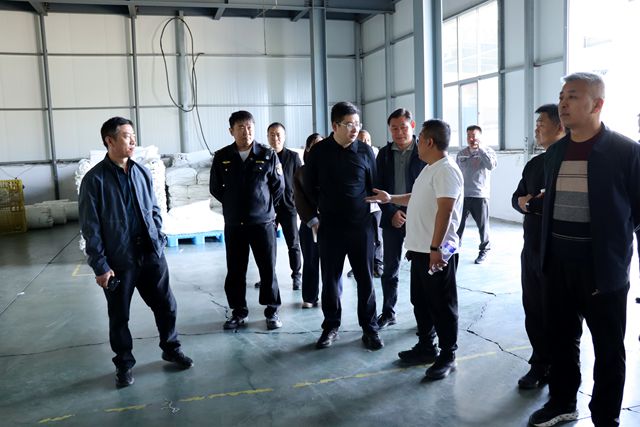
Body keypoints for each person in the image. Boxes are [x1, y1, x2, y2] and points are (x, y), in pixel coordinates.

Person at [528, 72, 640, 427]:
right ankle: (562, 403)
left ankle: (606, 417)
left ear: (597, 104)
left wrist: (616, 257)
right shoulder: (555, 153)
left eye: (573, 96)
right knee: (561, 340)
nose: (563, 103)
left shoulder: (626, 152)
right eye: (562, 96)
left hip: (602, 270)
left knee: (608, 349)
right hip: (557, 265)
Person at [78, 117, 193, 388]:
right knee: (120, 316)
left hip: (151, 254)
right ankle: (124, 364)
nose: (133, 140)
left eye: (133, 135)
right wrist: (100, 266)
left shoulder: (141, 172)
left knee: (166, 305)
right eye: (127, 136)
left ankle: (171, 347)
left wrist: (158, 237)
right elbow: (90, 228)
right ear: (109, 140)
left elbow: (154, 208)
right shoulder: (95, 180)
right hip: (119, 261)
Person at [366, 119, 463, 381]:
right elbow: (416, 197)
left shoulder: (446, 171)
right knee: (421, 301)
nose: (416, 143)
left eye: (420, 138)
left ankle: (448, 355)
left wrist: (436, 248)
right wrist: (391, 198)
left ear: (429, 142)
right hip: (420, 250)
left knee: (442, 305)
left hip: (436, 252)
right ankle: (426, 346)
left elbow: (446, 211)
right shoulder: (430, 169)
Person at [304, 101, 383, 351]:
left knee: (365, 279)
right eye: (349, 124)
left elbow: (373, 186)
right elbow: (308, 186)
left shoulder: (365, 151)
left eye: (357, 124)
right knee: (330, 280)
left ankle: (369, 328)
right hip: (330, 228)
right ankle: (331, 326)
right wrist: (320, 213)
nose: (355, 129)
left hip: (361, 227)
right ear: (334, 126)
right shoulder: (319, 152)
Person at [210, 110, 285, 331]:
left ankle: (272, 311)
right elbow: (216, 188)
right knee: (235, 270)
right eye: (240, 128)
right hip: (235, 224)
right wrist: (234, 204)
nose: (246, 132)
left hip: (262, 223)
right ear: (231, 131)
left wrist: (263, 206)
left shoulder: (268, 155)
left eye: (249, 127)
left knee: (267, 268)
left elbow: (278, 187)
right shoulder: (222, 156)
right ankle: (238, 312)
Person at [511, 104, 565, 390]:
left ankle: (560, 367)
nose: (536, 129)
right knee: (533, 308)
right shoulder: (535, 164)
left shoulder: (568, 162)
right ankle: (540, 363)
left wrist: (531, 204)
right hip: (531, 249)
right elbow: (516, 198)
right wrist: (529, 202)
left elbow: (554, 204)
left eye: (541, 123)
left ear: (559, 125)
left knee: (558, 313)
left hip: (557, 253)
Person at [374, 108, 427, 329]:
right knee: (390, 269)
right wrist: (391, 213)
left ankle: (425, 316)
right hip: (392, 217)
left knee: (422, 269)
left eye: (403, 127)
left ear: (412, 126)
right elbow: (378, 188)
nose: (399, 133)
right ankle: (388, 312)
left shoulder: (424, 151)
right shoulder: (384, 154)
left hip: (419, 219)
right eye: (394, 128)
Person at [254, 123, 302, 290]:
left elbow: (301, 182)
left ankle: (296, 276)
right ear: (267, 137)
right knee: (267, 245)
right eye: (272, 134)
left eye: (279, 134)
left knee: (293, 243)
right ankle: (267, 277)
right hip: (268, 209)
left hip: (288, 207)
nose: (275, 138)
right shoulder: (263, 156)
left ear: (284, 136)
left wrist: (297, 202)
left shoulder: (293, 157)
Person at [455, 125, 497, 264]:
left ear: (480, 137)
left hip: (480, 195)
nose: (471, 139)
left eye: (474, 136)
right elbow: (456, 174)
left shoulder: (488, 151)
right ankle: (452, 250)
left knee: (483, 227)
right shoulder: (461, 153)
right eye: (469, 136)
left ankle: (484, 251)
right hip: (463, 196)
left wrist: (481, 150)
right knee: (457, 225)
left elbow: (491, 166)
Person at [347, 128, 384, 279]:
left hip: (376, 204)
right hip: (360, 206)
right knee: (359, 237)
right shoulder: (352, 156)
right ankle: (357, 265)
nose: (365, 142)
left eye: (367, 140)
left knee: (377, 234)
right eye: (362, 140)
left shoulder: (376, 155)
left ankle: (378, 263)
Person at [293, 133, 323, 308]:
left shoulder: (332, 169)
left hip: (330, 222)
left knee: (331, 262)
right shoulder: (301, 172)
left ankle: (332, 295)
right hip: (309, 223)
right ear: (308, 149)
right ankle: (310, 297)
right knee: (310, 260)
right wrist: (312, 220)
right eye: (314, 145)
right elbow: (299, 199)